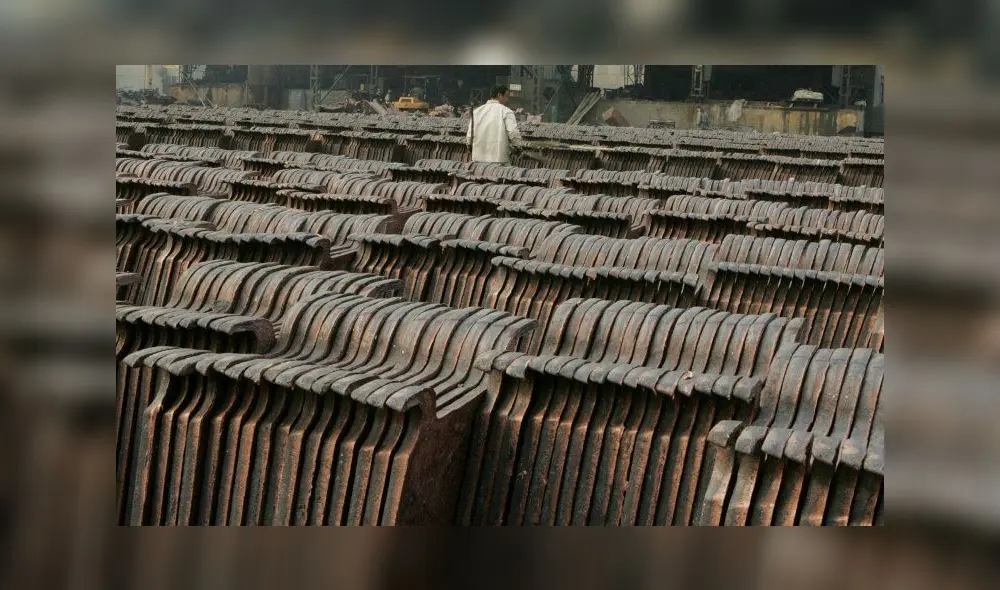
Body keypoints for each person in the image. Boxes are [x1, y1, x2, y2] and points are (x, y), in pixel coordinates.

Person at [466, 85, 523, 163]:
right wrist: (518, 148)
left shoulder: (477, 112)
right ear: (499, 95)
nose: (507, 99)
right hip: (498, 160)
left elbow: (469, 135)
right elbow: (513, 133)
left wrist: (469, 146)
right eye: (506, 96)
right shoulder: (506, 111)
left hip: (478, 159)